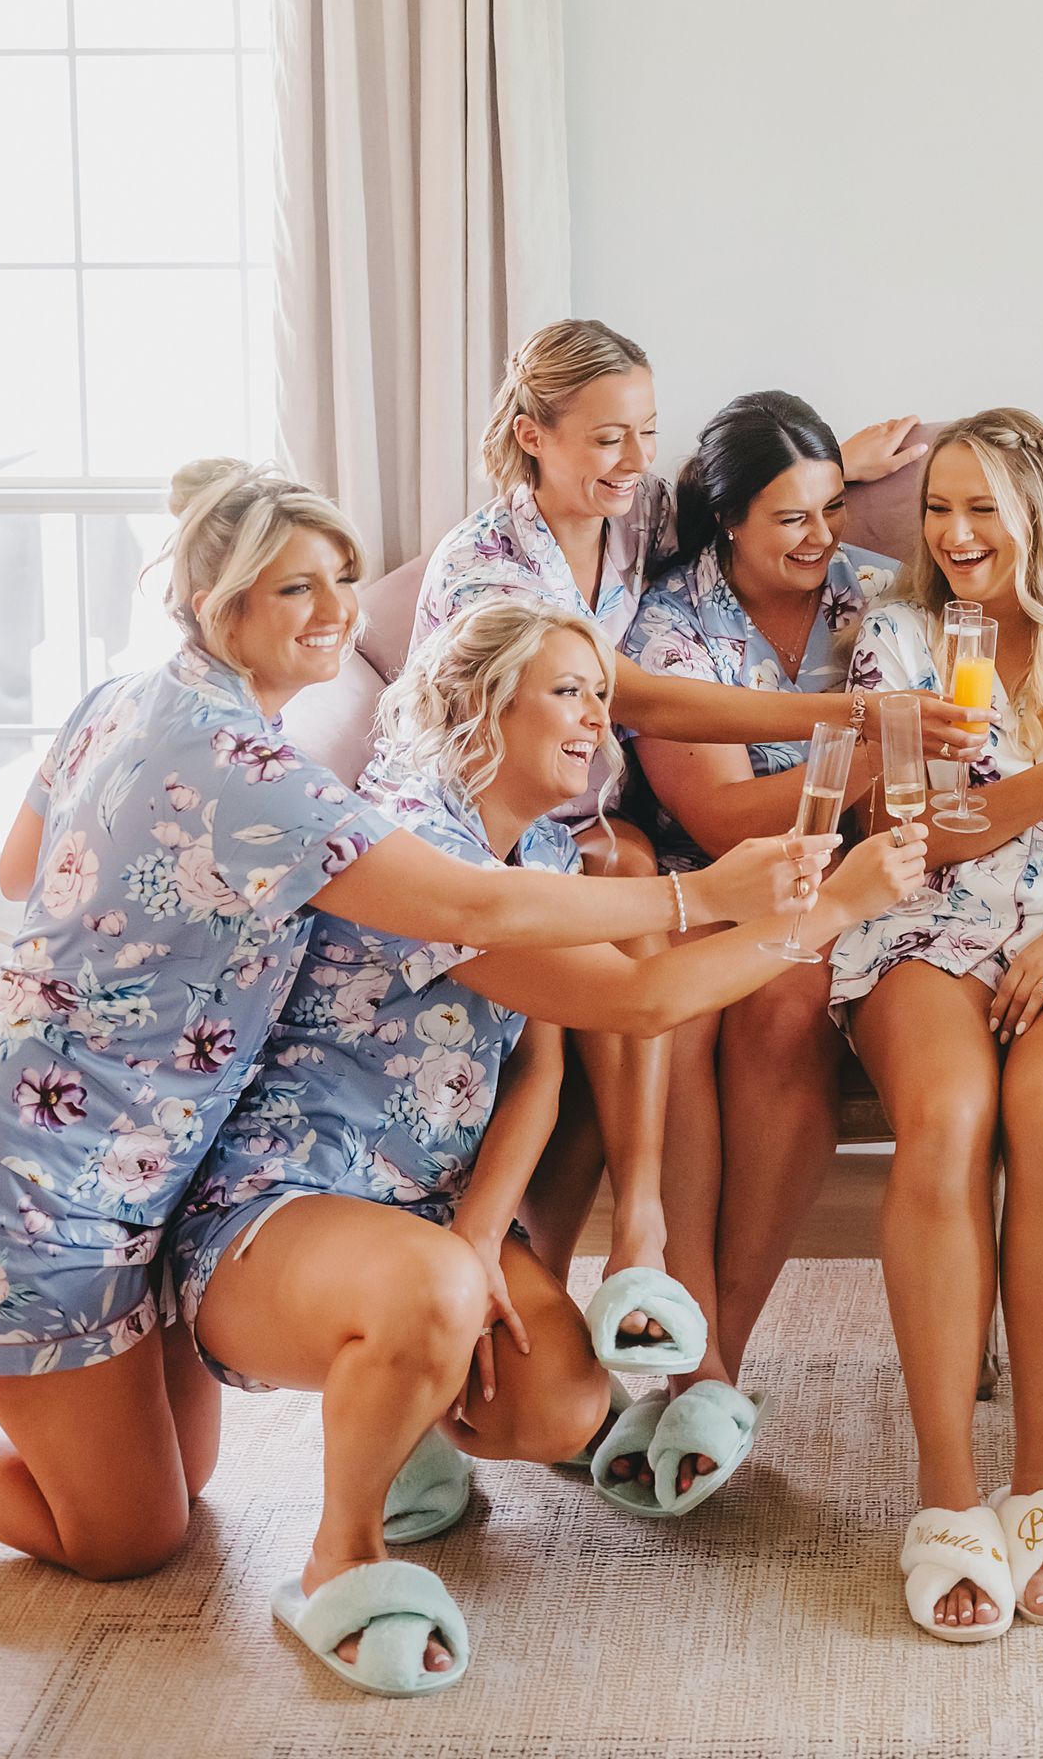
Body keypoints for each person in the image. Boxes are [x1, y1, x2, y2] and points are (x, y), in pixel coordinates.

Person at [0, 461, 773, 1585]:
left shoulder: (121, 699)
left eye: (342, 577)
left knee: (181, 1480)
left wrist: (146, 940)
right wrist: (709, 898)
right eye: (295, 589)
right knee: (131, 1537)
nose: (338, 609)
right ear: (216, 603)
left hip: (142, 1160)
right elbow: (476, 908)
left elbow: (17, 869)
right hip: (43, 1173)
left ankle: (8, 1370)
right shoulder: (254, 772)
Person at [168, 597, 924, 1694]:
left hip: (424, 1204)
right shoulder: (419, 837)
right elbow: (647, 1002)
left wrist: (480, 1236)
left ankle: (405, 1399)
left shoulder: (543, 849)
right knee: (429, 1292)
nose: (596, 721)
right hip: (276, 1209)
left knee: (562, 1405)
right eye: (569, 691)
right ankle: (339, 1552)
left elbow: (539, 1065)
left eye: (604, 698)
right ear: (482, 700)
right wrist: (836, 905)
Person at [397, 321, 949, 1357]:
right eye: (608, 439)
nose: (633, 461)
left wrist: (829, 472)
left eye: (646, 434)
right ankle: (531, 1291)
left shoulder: (641, 512)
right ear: (531, 435)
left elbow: (723, 492)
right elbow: (627, 691)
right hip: (483, 826)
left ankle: (640, 1238)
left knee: (631, 867)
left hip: (591, 828)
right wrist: (846, 726)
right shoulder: (486, 563)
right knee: (558, 1040)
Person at [831, 409, 1043, 1642]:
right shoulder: (902, 640)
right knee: (950, 1117)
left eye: (982, 506)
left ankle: (1041, 1480)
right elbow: (928, 831)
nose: (956, 532)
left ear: (1041, 513)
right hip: (927, 921)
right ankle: (946, 1494)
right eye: (937, 508)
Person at [616, 391, 901, 1507]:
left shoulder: (866, 601)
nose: (820, 539)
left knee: (786, 1005)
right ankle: (701, 1357)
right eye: (790, 519)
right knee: (699, 1006)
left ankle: (713, 1353)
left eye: (833, 508)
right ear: (725, 521)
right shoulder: (668, 628)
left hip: (841, 884)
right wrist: (872, 763)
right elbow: (728, 819)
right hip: (710, 874)